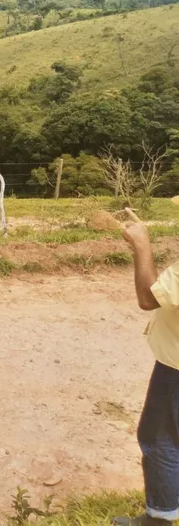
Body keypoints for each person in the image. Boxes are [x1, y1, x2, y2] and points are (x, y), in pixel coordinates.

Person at [115, 218, 179, 525]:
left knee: (159, 437)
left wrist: (141, 244)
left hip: (176, 370)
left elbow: (147, 298)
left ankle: (159, 518)